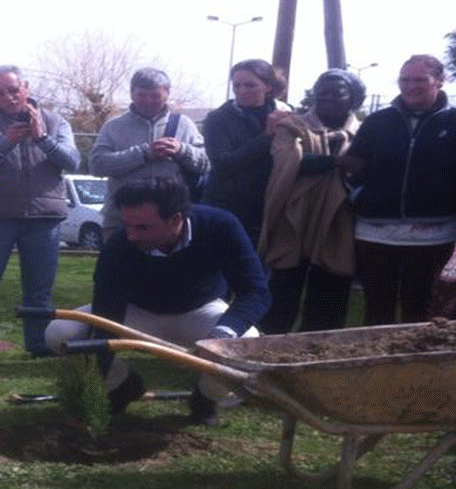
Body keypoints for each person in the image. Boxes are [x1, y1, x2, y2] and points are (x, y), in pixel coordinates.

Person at [45, 178, 270, 426]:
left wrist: (223, 333)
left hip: (200, 310)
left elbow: (255, 291)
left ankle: (206, 399)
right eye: (126, 225)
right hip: (137, 313)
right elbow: (107, 313)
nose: (130, 236)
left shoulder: (221, 226)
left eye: (142, 228)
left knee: (249, 343)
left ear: (175, 219)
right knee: (60, 332)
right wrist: (99, 383)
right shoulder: (120, 246)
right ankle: (123, 385)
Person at [0, 65, 80, 358]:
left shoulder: (56, 121)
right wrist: (6, 143)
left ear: (25, 87)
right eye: (0, 93)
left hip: (44, 219)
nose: (9, 97)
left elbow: (73, 161)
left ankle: (39, 345)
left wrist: (42, 138)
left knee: (39, 290)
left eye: (14, 90)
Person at [341, 55, 456, 326]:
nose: (410, 86)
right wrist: (360, 196)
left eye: (420, 79)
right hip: (375, 233)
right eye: (404, 79)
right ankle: (373, 364)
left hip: (433, 235)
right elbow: (353, 166)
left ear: (441, 80)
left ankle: (411, 366)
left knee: (420, 310)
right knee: (376, 309)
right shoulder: (378, 121)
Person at [257, 69, 365, 334]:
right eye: (322, 92)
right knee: (281, 289)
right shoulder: (292, 126)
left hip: (338, 222)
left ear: (352, 97)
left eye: (337, 93)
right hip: (293, 217)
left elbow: (367, 166)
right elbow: (287, 161)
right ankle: (265, 345)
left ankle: (316, 349)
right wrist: (336, 162)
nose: (328, 98)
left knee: (330, 289)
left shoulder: (363, 132)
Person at [89, 68, 208, 239]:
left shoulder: (184, 125)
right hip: (122, 219)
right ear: (131, 94)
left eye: (155, 96)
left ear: (167, 94)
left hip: (170, 221)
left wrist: (182, 150)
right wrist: (144, 153)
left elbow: (206, 163)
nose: (148, 101)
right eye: (142, 95)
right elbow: (96, 165)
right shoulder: (114, 126)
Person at [201, 59, 292, 244]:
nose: (242, 91)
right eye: (237, 85)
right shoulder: (218, 119)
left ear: (268, 86)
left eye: (250, 85)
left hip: (271, 208)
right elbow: (223, 164)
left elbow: (294, 160)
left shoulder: (286, 115)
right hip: (228, 208)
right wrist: (266, 136)